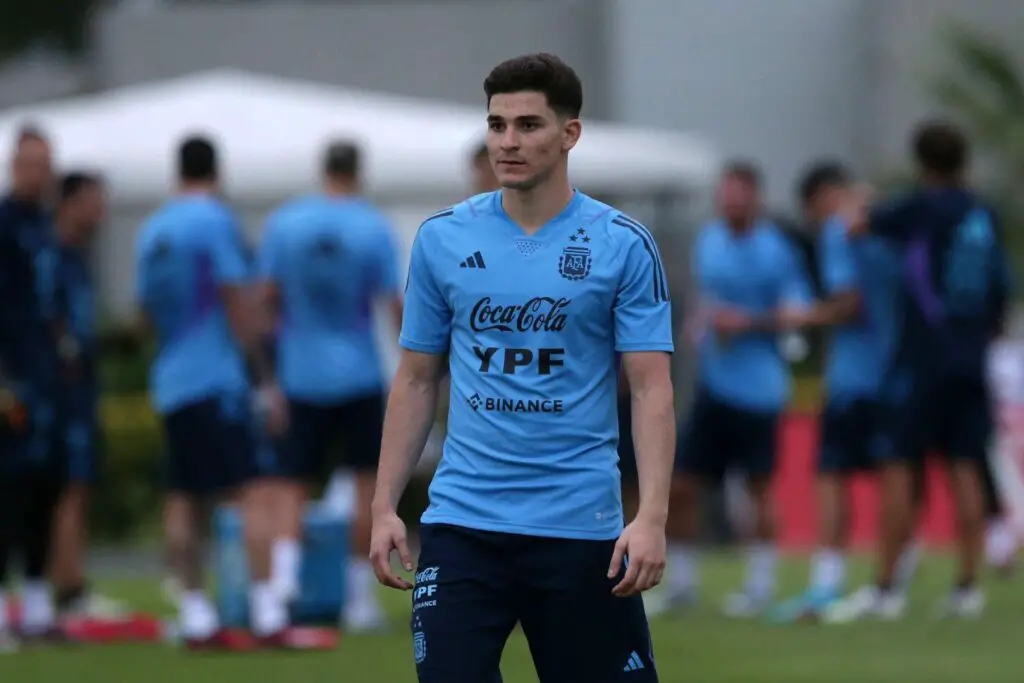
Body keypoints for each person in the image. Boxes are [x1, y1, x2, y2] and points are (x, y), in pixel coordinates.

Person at [370, 53, 674, 682]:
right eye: (497, 124)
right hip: (462, 526)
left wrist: (650, 518)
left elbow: (650, 391)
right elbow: (417, 378)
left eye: (528, 125)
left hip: (580, 529)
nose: (508, 141)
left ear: (571, 132)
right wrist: (384, 504)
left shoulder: (621, 243)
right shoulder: (442, 239)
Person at [841, 120, 1011, 618]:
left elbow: (859, 224)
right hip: (970, 357)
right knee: (965, 468)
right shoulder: (984, 212)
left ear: (923, 163)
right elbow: (1001, 286)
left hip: (923, 360)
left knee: (898, 464)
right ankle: (967, 588)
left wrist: (859, 202)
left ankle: (888, 587)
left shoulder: (921, 206)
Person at [134, 135, 285, 648]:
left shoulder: (152, 230)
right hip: (215, 378)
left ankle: (196, 610)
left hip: (171, 383)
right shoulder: (213, 221)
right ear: (215, 172)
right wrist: (264, 376)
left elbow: (142, 315)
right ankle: (266, 612)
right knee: (253, 490)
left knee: (182, 499)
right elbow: (235, 298)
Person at [257, 140, 403, 632]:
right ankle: (359, 598)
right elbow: (395, 305)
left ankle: (282, 589)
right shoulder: (372, 226)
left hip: (300, 374)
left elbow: (267, 300)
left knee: (290, 485)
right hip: (359, 372)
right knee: (366, 484)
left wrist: (268, 375)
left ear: (323, 170)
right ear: (358, 172)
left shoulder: (285, 223)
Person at [769, 162, 923, 621]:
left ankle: (828, 583)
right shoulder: (894, 228)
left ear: (824, 197)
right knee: (896, 477)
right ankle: (892, 582)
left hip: (856, 377)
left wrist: (803, 316)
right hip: (900, 372)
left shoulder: (841, 230)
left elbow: (850, 304)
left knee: (832, 474)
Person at [666, 161, 813, 617]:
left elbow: (797, 313)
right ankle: (682, 586)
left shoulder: (776, 250)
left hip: (759, 390)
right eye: (725, 195)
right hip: (714, 385)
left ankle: (761, 586)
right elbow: (708, 301)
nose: (730, 203)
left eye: (739, 195)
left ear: (755, 198)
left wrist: (746, 322)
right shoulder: (709, 241)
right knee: (682, 485)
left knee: (758, 488)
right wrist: (701, 322)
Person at [41, 172, 126, 619]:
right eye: (93, 201)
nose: (101, 212)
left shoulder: (77, 255)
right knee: (66, 486)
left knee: (76, 484)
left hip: (79, 387)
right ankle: (66, 588)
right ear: (69, 202)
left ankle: (66, 582)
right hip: (56, 391)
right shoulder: (49, 253)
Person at [0, 126, 61, 647]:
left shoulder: (45, 224)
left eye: (45, 163)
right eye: (30, 162)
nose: (38, 172)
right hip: (13, 376)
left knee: (44, 488)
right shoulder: (4, 224)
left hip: (45, 377)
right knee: (8, 489)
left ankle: (38, 602)